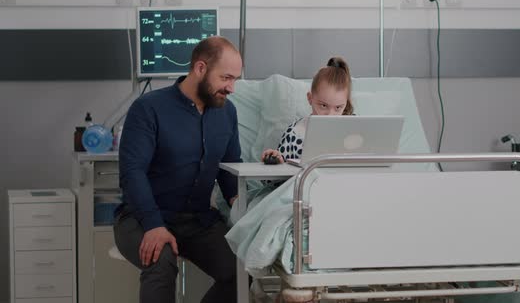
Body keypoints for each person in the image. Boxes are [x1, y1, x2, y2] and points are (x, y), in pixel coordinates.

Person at [114, 36, 243, 303]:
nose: (231, 88)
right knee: (160, 262)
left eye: (235, 80)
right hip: (142, 217)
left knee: (243, 270)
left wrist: (238, 201)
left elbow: (229, 168)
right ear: (200, 69)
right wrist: (153, 225)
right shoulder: (148, 109)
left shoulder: (227, 113)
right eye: (226, 78)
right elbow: (132, 172)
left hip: (198, 221)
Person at [261, 56, 354, 163]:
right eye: (323, 106)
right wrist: (276, 159)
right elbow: (274, 177)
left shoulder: (354, 130)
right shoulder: (295, 133)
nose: (330, 115)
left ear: (345, 104)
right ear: (310, 99)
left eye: (338, 107)